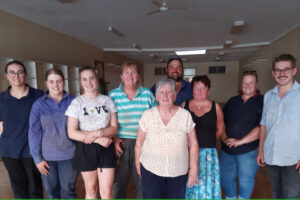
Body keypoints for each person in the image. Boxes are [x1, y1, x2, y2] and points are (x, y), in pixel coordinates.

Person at [135, 78, 199, 199]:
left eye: (169, 92)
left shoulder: (185, 115)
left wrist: (194, 169)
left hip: (178, 172)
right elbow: (139, 142)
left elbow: (193, 143)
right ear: (156, 97)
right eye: (161, 92)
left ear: (174, 95)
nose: (165, 95)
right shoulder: (147, 115)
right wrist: (138, 164)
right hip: (151, 170)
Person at [65, 66, 118, 199]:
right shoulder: (77, 103)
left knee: (107, 192)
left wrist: (98, 133)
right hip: (86, 148)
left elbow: (114, 128)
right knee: (91, 190)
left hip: (107, 146)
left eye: (92, 78)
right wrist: (97, 139)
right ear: (80, 82)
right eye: (85, 79)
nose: (89, 82)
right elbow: (72, 132)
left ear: (97, 79)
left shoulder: (107, 100)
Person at [109, 61, 156, 199]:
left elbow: (156, 118)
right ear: (122, 76)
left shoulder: (147, 94)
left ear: (138, 76)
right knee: (119, 182)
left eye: (133, 72)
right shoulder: (113, 95)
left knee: (142, 180)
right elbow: (107, 121)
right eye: (126, 72)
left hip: (143, 143)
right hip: (120, 143)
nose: (130, 76)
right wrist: (114, 139)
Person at [28, 68, 78, 199]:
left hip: (70, 155)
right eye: (52, 81)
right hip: (47, 157)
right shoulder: (38, 105)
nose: (55, 85)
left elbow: (82, 127)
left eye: (59, 81)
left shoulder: (74, 102)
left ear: (64, 82)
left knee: (69, 191)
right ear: (46, 83)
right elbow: (34, 133)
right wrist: (37, 159)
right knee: (51, 192)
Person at [257, 54, 300, 199]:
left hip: (293, 159)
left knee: (291, 196)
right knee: (277, 194)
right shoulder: (268, 96)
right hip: (271, 157)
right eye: (278, 70)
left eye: (286, 69)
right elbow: (263, 124)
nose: (281, 74)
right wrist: (261, 150)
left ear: (294, 70)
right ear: (273, 73)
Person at [0, 60, 43, 198]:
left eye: (20, 72)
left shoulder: (39, 95)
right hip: (9, 151)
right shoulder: (1, 99)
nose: (16, 76)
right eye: (12, 72)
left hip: (33, 150)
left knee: (35, 188)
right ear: (6, 75)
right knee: (19, 189)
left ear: (25, 74)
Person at [220, 73, 263, 199]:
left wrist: (240, 142)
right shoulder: (233, 101)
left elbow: (261, 128)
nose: (247, 86)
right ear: (241, 84)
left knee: (245, 180)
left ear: (257, 84)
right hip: (227, 149)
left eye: (251, 82)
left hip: (248, 150)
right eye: (245, 82)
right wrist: (224, 137)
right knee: (225, 178)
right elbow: (221, 121)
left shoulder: (262, 101)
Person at [184, 75, 224, 199]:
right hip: (188, 153)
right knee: (189, 184)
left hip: (208, 154)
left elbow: (220, 128)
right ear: (192, 90)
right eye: (196, 88)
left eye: (203, 88)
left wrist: (209, 141)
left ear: (208, 89)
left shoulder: (215, 107)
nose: (200, 91)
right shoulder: (183, 105)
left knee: (207, 186)